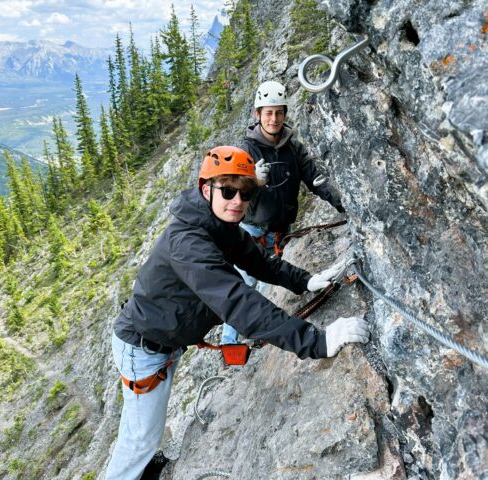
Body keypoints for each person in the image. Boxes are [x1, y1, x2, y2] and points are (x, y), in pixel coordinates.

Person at [105, 146, 369, 480]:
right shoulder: (188, 242)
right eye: (228, 191)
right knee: (140, 440)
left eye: (245, 194)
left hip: (157, 343)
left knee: (141, 435)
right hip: (144, 350)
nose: (237, 201)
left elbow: (258, 262)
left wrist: (305, 281)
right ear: (206, 190)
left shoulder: (219, 225)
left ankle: (140, 469)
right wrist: (316, 342)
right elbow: (239, 304)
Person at [221, 80, 346, 345]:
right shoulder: (246, 151)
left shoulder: (293, 149)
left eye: (279, 112)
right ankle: (229, 345)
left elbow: (315, 180)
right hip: (253, 232)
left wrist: (343, 206)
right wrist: (253, 180)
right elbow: (231, 192)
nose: (274, 118)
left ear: (285, 114)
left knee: (269, 287)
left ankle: (261, 337)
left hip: (281, 233)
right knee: (242, 287)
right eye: (268, 112)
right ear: (258, 115)